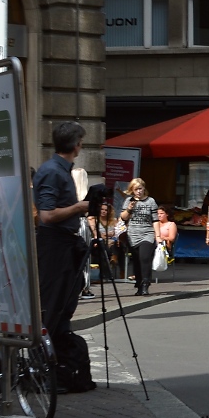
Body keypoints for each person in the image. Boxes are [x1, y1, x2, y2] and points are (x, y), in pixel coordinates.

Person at [33, 121, 100, 393]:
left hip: (65, 244)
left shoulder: (62, 170)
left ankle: (60, 368)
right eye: (82, 142)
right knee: (51, 307)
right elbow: (47, 215)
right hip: (54, 245)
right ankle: (43, 370)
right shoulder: (52, 172)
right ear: (77, 145)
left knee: (63, 307)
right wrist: (81, 206)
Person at [120, 177, 160, 296]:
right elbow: (123, 218)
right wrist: (129, 209)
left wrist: (157, 236)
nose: (138, 191)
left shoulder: (151, 201)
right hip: (132, 235)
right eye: (136, 189)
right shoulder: (128, 201)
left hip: (147, 233)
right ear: (132, 190)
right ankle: (139, 283)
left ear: (144, 188)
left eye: (140, 189)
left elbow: (155, 220)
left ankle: (145, 284)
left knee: (145, 258)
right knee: (136, 261)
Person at [87, 200, 121, 282]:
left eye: (106, 210)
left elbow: (117, 232)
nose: (104, 211)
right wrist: (107, 235)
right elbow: (96, 233)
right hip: (98, 243)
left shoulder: (113, 220)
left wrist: (110, 236)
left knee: (115, 244)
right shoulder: (93, 219)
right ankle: (113, 258)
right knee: (103, 247)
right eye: (102, 209)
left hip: (112, 242)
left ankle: (107, 272)